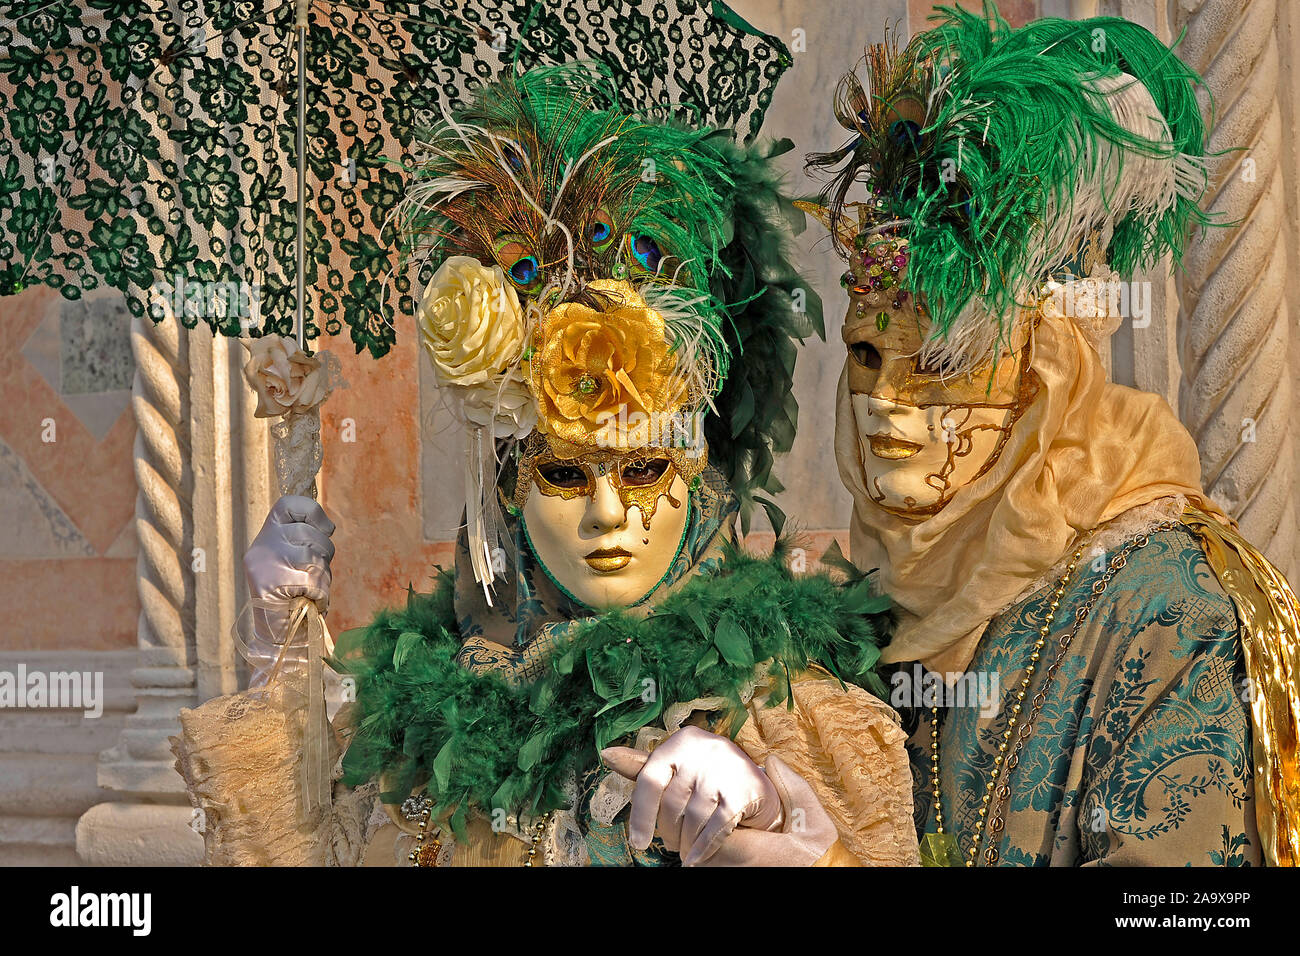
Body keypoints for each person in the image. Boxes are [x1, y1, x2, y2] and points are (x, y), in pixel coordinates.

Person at [172, 62, 919, 868]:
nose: (607, 515)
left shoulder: (790, 714)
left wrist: (779, 828)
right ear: (504, 490)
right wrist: (275, 640)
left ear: (697, 477)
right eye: (563, 474)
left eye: (643, 472)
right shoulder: (419, 716)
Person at [801, 4, 1299, 866]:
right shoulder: (874, 594)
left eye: (940, 362)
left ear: (1046, 367)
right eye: (868, 353)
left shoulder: (1173, 612)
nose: (886, 400)